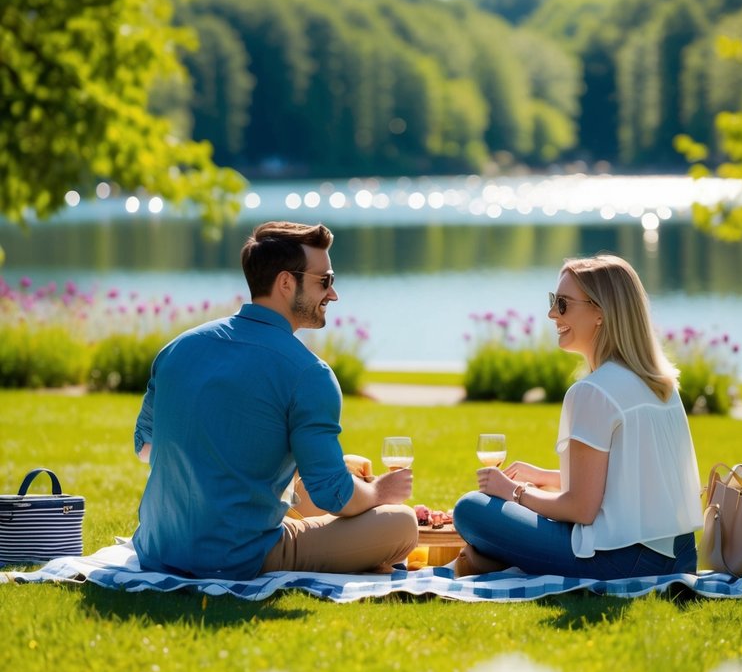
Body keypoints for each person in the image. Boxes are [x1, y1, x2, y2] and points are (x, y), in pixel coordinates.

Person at [132, 221, 418, 579]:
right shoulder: (308, 373)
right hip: (238, 556)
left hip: (158, 548)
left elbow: (145, 445)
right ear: (286, 282)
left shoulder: (177, 349)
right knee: (402, 524)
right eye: (325, 281)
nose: (333, 294)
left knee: (313, 482)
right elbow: (334, 495)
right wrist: (377, 492)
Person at [452, 254, 702, 579]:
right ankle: (489, 561)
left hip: (618, 562)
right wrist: (545, 476)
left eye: (563, 304)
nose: (552, 313)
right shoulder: (661, 385)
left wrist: (513, 492)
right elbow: (629, 481)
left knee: (471, 510)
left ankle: (488, 560)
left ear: (600, 312)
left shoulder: (593, 392)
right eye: (554, 301)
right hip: (679, 556)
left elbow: (581, 509)